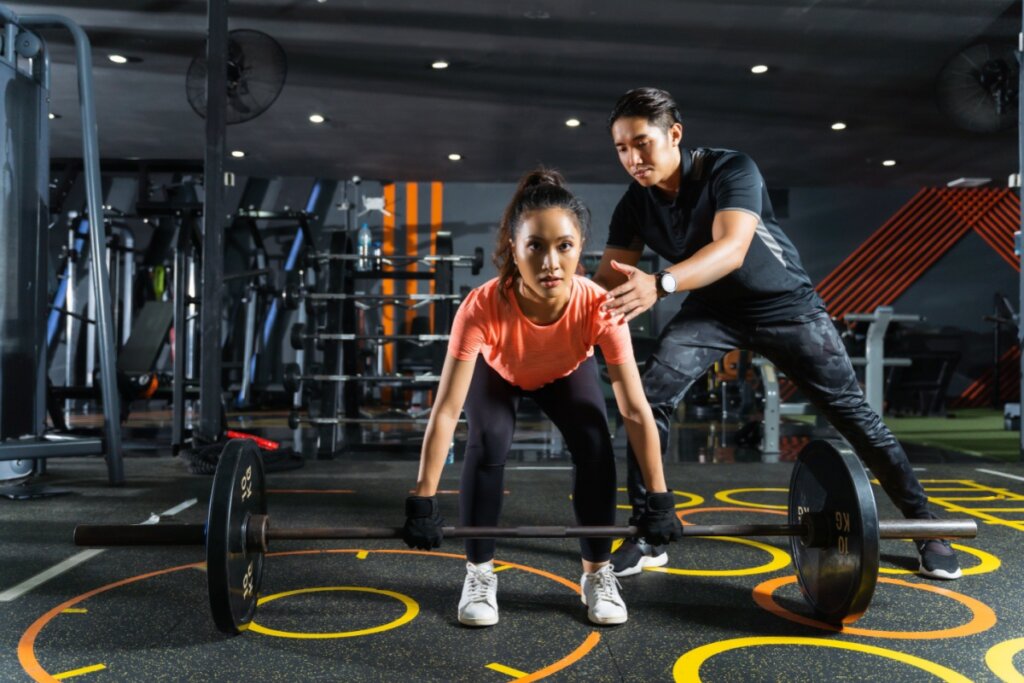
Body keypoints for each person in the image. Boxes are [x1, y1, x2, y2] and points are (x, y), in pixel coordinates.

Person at [592, 87, 961, 581]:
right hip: (712, 310)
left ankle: (927, 527)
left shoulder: (731, 169)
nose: (633, 159)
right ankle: (650, 528)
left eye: (642, 143)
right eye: (621, 148)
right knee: (647, 395)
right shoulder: (634, 205)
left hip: (784, 305)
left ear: (674, 135)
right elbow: (607, 282)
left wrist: (660, 284)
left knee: (851, 414)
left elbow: (732, 249)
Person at [402, 169, 683, 627]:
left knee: (594, 442)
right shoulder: (481, 306)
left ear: (580, 248)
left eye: (564, 246)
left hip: (565, 373)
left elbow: (634, 408)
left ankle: (597, 573)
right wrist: (423, 499)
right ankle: (479, 573)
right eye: (536, 246)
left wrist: (659, 497)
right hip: (499, 371)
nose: (551, 262)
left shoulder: (600, 307)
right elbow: (448, 410)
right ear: (515, 249)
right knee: (488, 440)